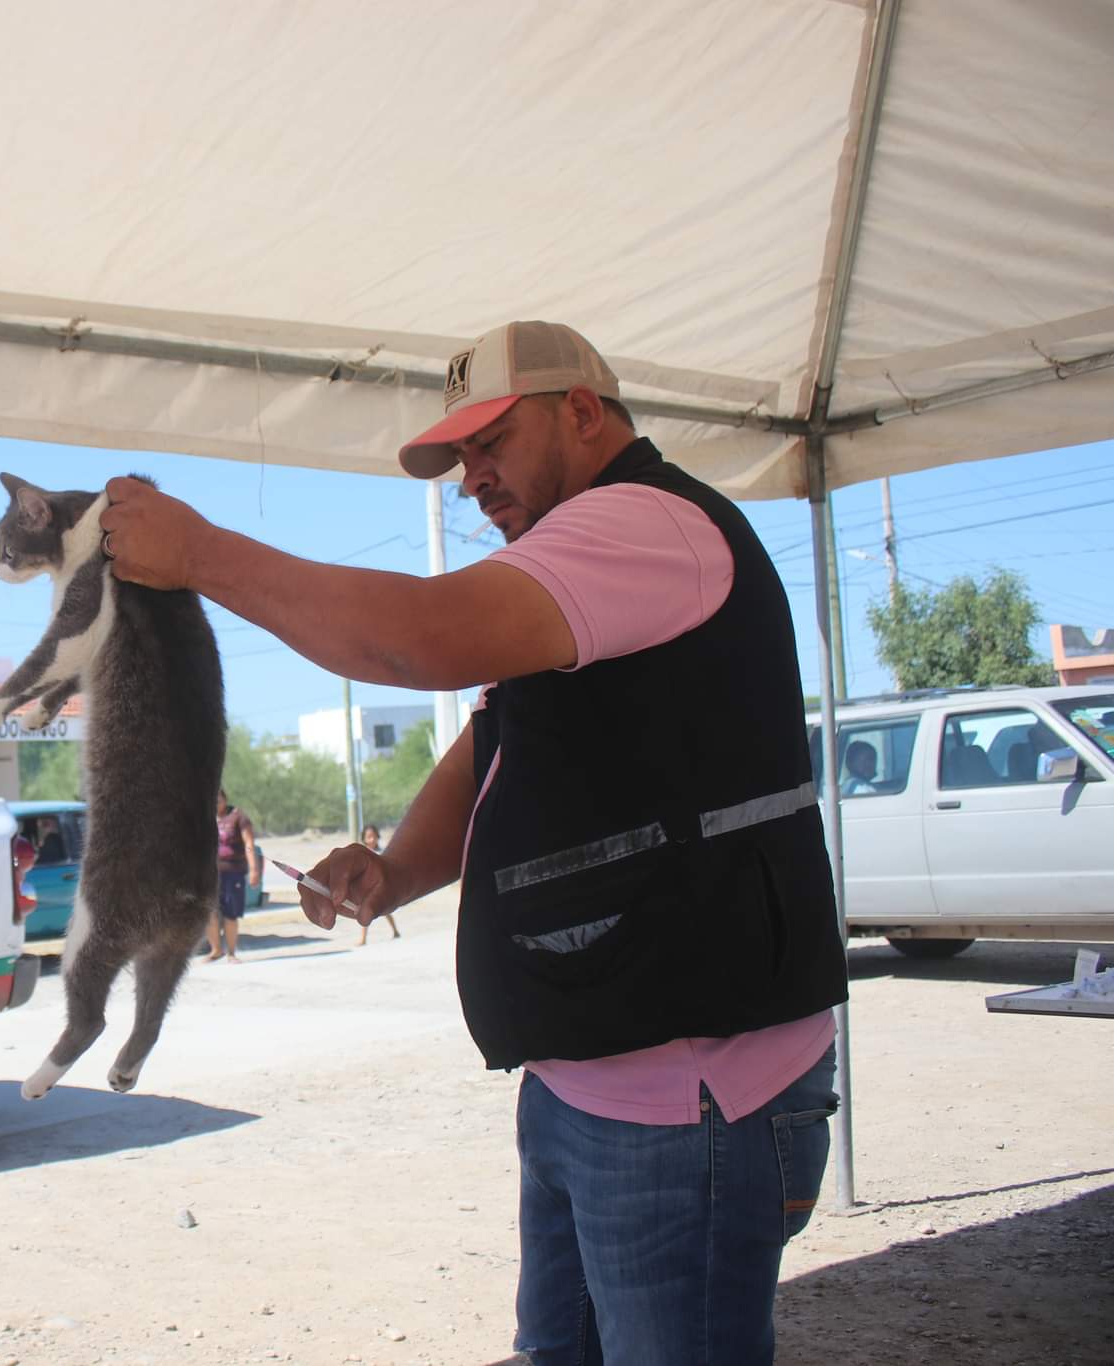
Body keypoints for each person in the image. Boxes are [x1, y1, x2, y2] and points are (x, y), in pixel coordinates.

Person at [100, 321, 848, 1365]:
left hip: (690, 1096)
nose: (471, 479)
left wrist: (200, 554)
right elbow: (493, 735)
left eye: (490, 443)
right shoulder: (571, 565)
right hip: (587, 1075)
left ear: (582, 412)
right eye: (459, 460)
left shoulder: (639, 522)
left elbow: (416, 637)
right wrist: (397, 866)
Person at [208, 789, 261, 962]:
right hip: (210, 874)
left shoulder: (238, 817)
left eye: (218, 799)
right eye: (212, 800)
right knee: (210, 913)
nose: (216, 803)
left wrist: (254, 869)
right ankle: (216, 950)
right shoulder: (206, 818)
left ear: (225, 798)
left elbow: (249, 843)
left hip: (233, 872)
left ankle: (231, 953)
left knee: (230, 913)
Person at [355, 824, 401, 945]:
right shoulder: (362, 854)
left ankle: (395, 931)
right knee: (366, 911)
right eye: (369, 837)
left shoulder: (381, 853)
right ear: (364, 839)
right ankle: (364, 938)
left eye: (374, 836)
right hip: (366, 888)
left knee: (385, 910)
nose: (372, 839)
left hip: (379, 887)